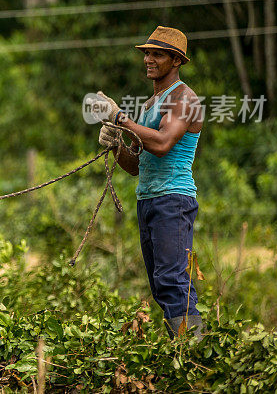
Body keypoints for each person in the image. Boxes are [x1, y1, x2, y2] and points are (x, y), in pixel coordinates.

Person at [94, 26, 204, 338]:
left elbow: (162, 144)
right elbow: (136, 166)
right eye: (146, 53)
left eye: (157, 54)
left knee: (172, 281)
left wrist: (120, 119)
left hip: (173, 199)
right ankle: (184, 349)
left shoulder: (184, 98)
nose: (148, 59)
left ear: (177, 61)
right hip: (149, 199)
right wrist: (116, 143)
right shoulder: (148, 105)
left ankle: (195, 354)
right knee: (161, 285)